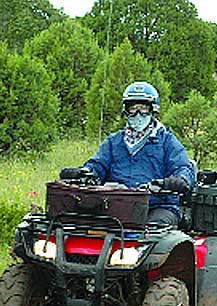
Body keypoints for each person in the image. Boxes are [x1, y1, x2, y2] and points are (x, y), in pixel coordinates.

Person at [80, 81, 195, 227]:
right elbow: (97, 165)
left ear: (153, 110)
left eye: (143, 108)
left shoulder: (167, 140)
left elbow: (182, 167)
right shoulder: (113, 141)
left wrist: (179, 180)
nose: (138, 114)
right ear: (125, 111)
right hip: (116, 204)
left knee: (152, 233)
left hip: (157, 206)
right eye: (133, 108)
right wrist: (85, 173)